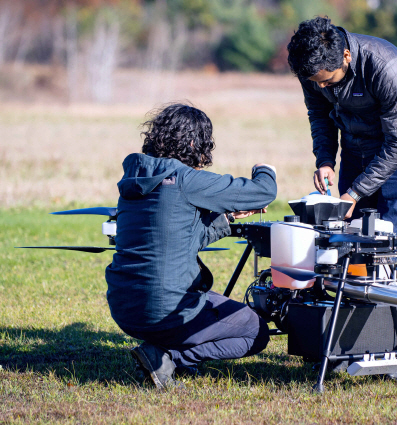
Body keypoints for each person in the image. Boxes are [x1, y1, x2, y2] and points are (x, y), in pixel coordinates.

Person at [287, 17, 397, 373]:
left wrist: (354, 192)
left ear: (346, 57)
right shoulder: (313, 68)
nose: (320, 86)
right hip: (353, 144)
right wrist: (324, 159)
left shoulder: (386, 66)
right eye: (313, 82)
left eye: (326, 80)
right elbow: (318, 114)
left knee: (391, 240)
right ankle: (351, 343)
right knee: (349, 241)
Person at [105, 103, 277, 390]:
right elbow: (263, 191)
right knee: (255, 331)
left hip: (124, 307)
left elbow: (182, 236)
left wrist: (227, 217)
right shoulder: (185, 179)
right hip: (165, 309)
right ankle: (167, 357)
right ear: (195, 143)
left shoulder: (136, 180)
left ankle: (162, 349)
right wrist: (265, 169)